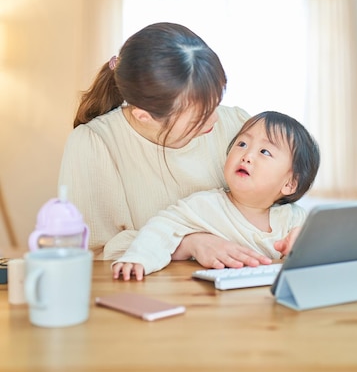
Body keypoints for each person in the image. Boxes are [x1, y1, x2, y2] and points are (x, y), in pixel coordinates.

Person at [59, 22, 272, 268]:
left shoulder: (236, 123)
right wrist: (187, 243)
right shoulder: (95, 144)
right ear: (144, 115)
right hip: (147, 293)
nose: (214, 119)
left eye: (216, 102)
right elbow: (94, 253)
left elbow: (274, 204)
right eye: (199, 115)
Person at [112, 111, 320, 281]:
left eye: (265, 152)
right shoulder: (204, 206)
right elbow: (161, 228)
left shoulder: (294, 219)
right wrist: (138, 258)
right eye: (242, 144)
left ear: (290, 183)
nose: (247, 156)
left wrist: (304, 245)